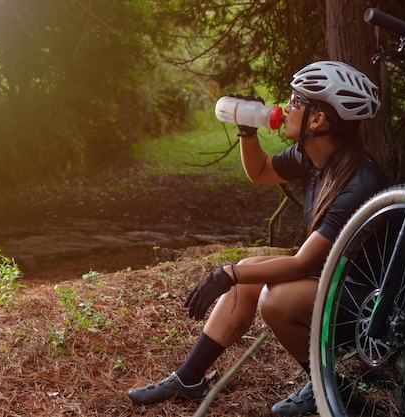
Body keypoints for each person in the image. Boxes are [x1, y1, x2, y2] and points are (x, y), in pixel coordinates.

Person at [127, 60, 386, 416]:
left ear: (317, 120)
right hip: (339, 283)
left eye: (295, 101)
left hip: (378, 308)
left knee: (273, 299)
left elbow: (303, 263)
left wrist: (227, 273)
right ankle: (189, 378)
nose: (285, 106)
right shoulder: (315, 157)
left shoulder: (357, 183)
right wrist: (248, 131)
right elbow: (261, 171)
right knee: (250, 272)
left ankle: (325, 385)